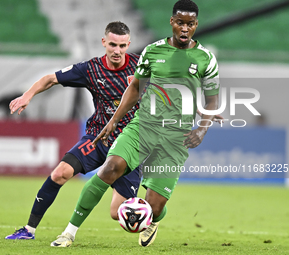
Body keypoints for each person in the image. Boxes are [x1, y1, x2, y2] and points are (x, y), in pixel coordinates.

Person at [60, 0, 220, 248]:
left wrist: (202, 129)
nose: (184, 28)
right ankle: (69, 232)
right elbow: (135, 87)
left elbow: (212, 101)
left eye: (190, 24)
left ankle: (154, 220)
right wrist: (114, 121)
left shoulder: (206, 59)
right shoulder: (153, 51)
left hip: (175, 138)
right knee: (110, 168)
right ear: (172, 22)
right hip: (142, 126)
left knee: (154, 207)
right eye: (180, 23)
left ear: (196, 25)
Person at [5, 21, 142, 243]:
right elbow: (50, 79)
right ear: (104, 42)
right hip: (99, 136)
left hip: (129, 143)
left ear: (129, 45)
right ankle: (28, 229)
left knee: (118, 213)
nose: (117, 51)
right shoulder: (91, 69)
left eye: (122, 46)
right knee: (60, 173)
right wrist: (27, 95)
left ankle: (152, 218)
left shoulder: (141, 66)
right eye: (113, 45)